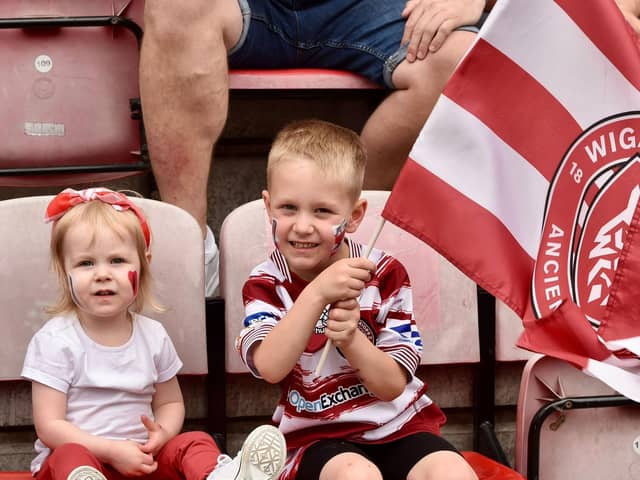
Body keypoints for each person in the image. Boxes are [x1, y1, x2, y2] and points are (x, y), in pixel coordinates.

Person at [139, 0, 496, 297]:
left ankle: (348, 229)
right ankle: (189, 248)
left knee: (463, 59)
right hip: (247, 5)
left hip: (377, 8)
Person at [235, 120, 478, 480]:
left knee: (452, 472)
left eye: (322, 211)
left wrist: (351, 339)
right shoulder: (266, 283)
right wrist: (317, 293)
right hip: (314, 436)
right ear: (268, 207)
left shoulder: (385, 274)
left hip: (398, 425)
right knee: (356, 475)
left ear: (355, 216)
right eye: (288, 208)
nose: (303, 225)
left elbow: (392, 384)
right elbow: (270, 367)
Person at [21, 187, 286, 480]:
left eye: (117, 261)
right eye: (86, 263)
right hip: (80, 464)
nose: (102, 274)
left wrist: (163, 433)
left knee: (194, 441)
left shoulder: (153, 335)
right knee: (69, 454)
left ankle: (222, 477)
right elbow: (49, 425)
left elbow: (169, 402)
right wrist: (110, 450)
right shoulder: (56, 340)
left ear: (143, 263)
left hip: (142, 462)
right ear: (63, 269)